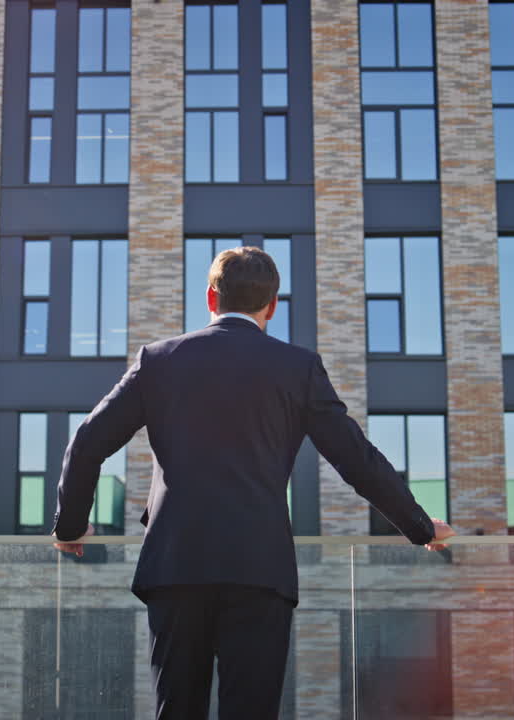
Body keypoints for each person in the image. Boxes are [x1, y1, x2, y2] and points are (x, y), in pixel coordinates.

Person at [52, 246, 455, 719]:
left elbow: (87, 442)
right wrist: (420, 526)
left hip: (176, 566)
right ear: (272, 306)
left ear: (210, 298)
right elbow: (356, 459)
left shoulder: (158, 360)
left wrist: (70, 527)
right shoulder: (297, 368)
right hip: (258, 569)